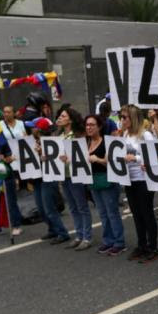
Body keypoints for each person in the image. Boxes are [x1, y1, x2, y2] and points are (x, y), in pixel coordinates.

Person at [120, 105, 158, 262]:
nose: (122, 120)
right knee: (136, 214)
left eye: (125, 117)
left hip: (144, 179)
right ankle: (141, 244)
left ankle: (152, 246)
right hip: (130, 179)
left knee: (146, 213)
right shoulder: (125, 134)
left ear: (133, 118)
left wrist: (135, 158)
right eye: (122, 117)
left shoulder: (146, 135)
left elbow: (155, 155)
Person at [86, 114, 125, 256]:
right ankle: (108, 240)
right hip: (94, 181)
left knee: (112, 212)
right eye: (87, 125)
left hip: (108, 180)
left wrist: (98, 159)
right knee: (102, 213)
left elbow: (112, 161)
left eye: (92, 125)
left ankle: (119, 242)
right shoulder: (86, 142)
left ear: (99, 127)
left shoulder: (107, 142)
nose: (89, 127)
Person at [56, 107, 93, 251]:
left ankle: (87, 237)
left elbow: (82, 155)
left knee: (81, 206)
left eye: (63, 116)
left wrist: (69, 159)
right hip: (64, 175)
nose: (60, 117)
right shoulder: (58, 135)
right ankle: (79, 235)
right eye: (60, 115)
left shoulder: (77, 135)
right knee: (72, 207)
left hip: (75, 174)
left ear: (70, 119)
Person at [29, 118, 69, 245]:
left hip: (48, 177)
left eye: (33, 127)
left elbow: (55, 159)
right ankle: (52, 229)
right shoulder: (32, 142)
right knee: (41, 209)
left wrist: (42, 152)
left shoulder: (51, 143)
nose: (31, 129)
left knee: (49, 208)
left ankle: (62, 232)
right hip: (37, 179)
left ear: (39, 130)